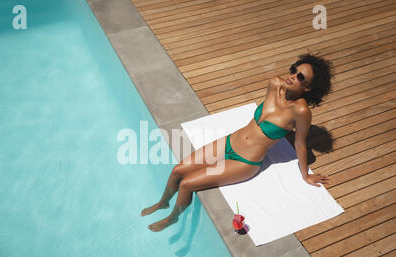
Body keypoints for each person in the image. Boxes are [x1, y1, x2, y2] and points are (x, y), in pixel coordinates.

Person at [142, 53, 333, 232]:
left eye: (300, 77)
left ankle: (173, 217)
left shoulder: (300, 112)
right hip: (228, 142)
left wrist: (305, 175)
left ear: (308, 88)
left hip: (244, 162)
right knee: (177, 170)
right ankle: (163, 202)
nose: (292, 76)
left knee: (186, 184)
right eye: (293, 70)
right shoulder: (275, 84)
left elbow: (300, 143)